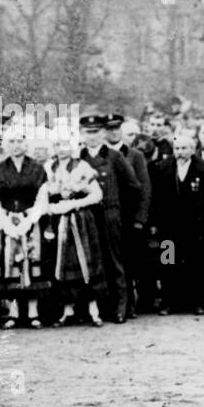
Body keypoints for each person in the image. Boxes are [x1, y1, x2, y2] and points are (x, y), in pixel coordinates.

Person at [79, 114, 143, 323]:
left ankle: (121, 307)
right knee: (95, 263)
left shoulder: (114, 157)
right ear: (82, 134)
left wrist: (120, 211)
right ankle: (101, 307)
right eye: (88, 132)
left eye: (96, 132)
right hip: (88, 217)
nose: (93, 137)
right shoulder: (79, 157)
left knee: (115, 261)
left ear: (103, 133)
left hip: (110, 215)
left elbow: (134, 186)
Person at [0, 130, 50, 329]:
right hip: (6, 223)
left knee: (31, 263)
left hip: (30, 223)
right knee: (9, 266)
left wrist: (28, 221)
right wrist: (6, 222)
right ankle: (12, 312)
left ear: (26, 144)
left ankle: (33, 312)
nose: (16, 145)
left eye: (20, 141)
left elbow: (42, 200)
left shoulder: (37, 168)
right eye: (11, 141)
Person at [43, 137, 106, 327]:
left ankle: (93, 311)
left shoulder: (82, 166)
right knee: (62, 263)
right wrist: (52, 207)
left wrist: (75, 203)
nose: (61, 149)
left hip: (80, 221)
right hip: (58, 220)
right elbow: (41, 194)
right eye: (57, 145)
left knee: (85, 261)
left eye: (65, 145)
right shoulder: (48, 167)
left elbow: (97, 195)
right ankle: (67, 310)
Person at [157, 134, 204, 314]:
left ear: (192, 149)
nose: (180, 152)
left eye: (184, 148)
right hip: (168, 228)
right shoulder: (162, 168)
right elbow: (157, 199)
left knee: (196, 264)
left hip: (195, 228)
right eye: (177, 148)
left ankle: (197, 302)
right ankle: (168, 301)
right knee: (167, 262)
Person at [105, 113, 152, 319]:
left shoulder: (135, 155)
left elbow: (144, 188)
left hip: (129, 217)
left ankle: (129, 305)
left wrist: (140, 218)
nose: (113, 132)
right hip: (107, 216)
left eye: (116, 128)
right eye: (109, 129)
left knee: (129, 262)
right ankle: (111, 304)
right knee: (109, 261)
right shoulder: (100, 155)